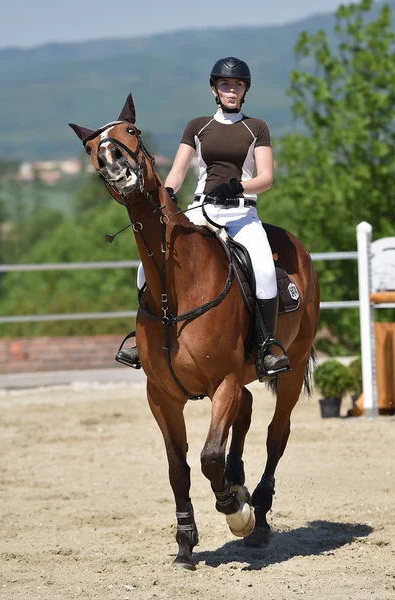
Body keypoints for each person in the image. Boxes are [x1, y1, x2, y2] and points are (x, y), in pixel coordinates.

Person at [116, 56, 290, 379]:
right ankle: (142, 338)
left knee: (265, 270)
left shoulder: (257, 128)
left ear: (245, 90)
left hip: (241, 213)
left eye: (237, 85)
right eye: (225, 84)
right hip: (200, 210)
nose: (231, 90)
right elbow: (179, 171)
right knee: (147, 266)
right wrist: (166, 194)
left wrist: (239, 187)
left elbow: (266, 177)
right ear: (214, 89)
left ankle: (266, 348)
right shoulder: (198, 126)